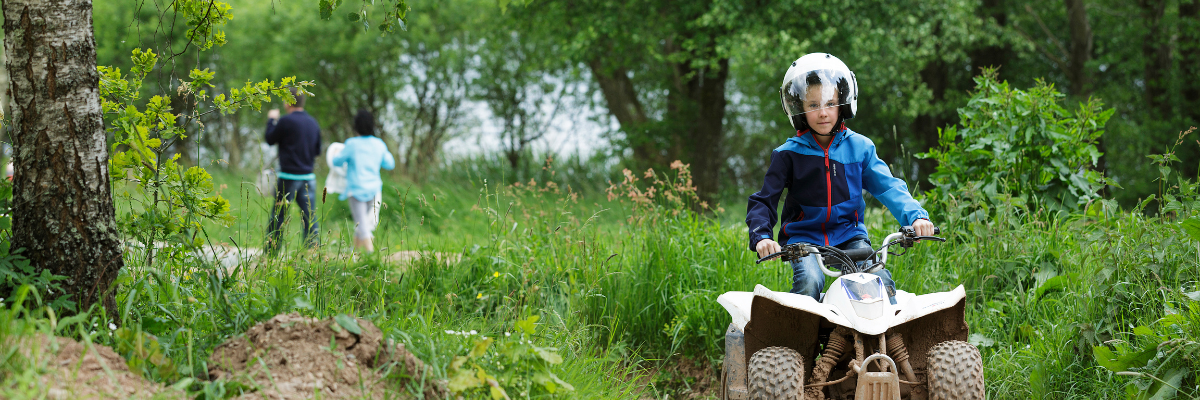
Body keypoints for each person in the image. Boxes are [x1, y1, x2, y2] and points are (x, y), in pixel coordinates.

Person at [746, 53, 936, 302]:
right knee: (809, 281)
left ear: (843, 103)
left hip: (850, 235)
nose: (823, 112)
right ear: (799, 108)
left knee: (881, 283)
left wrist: (917, 217)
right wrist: (762, 236)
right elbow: (764, 200)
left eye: (830, 103)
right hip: (804, 239)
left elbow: (889, 188)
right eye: (813, 105)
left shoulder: (861, 148)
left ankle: (891, 340)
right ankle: (799, 340)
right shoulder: (787, 154)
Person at [265, 88, 322, 252]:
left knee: (278, 217)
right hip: (309, 177)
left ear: (288, 102)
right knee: (310, 218)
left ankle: (271, 254)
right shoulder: (313, 122)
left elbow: (269, 139)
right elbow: (317, 150)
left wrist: (271, 120)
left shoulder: (285, 121)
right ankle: (312, 254)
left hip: (288, 177)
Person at [332, 109, 395, 252]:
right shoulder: (379, 144)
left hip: (356, 189)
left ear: (356, 126)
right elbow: (390, 164)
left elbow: (337, 162)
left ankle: (371, 254)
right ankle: (353, 254)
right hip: (374, 190)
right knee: (364, 223)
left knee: (361, 225)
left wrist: (336, 153)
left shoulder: (352, 144)